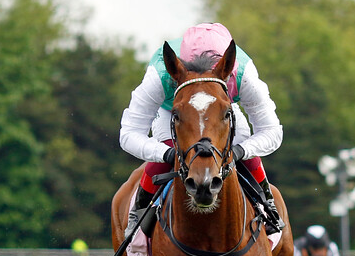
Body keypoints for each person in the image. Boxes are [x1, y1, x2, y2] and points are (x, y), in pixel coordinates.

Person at [120, 23, 285, 235]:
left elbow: (272, 131)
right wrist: (167, 153)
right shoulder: (159, 75)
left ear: (227, 67)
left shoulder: (244, 74)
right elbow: (128, 134)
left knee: (242, 146)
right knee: (169, 153)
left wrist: (239, 151)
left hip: (219, 110)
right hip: (173, 112)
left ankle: (266, 202)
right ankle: (138, 213)